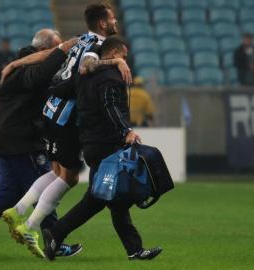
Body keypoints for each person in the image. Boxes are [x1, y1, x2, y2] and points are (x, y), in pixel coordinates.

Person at [1, 3, 132, 257]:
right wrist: (115, 60)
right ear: (103, 24)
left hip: (50, 109)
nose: (115, 21)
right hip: (65, 116)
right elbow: (86, 67)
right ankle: (29, 225)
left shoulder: (79, 39)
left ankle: (16, 210)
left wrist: (16, 64)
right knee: (69, 177)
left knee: (57, 170)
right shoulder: (95, 47)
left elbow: (47, 55)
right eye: (112, 18)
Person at [0, 29, 80, 258]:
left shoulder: (20, 65)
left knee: (8, 194)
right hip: (20, 139)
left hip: (9, 137)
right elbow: (39, 77)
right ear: (44, 50)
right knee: (45, 183)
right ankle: (55, 239)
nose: (62, 52)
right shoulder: (27, 69)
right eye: (58, 47)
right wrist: (61, 53)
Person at [43, 36, 162, 261]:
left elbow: (59, 89)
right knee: (99, 198)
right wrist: (126, 130)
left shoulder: (83, 74)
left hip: (90, 143)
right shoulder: (110, 77)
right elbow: (110, 105)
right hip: (107, 144)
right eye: (124, 57)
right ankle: (55, 233)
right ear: (115, 54)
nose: (126, 61)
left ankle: (134, 250)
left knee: (116, 199)